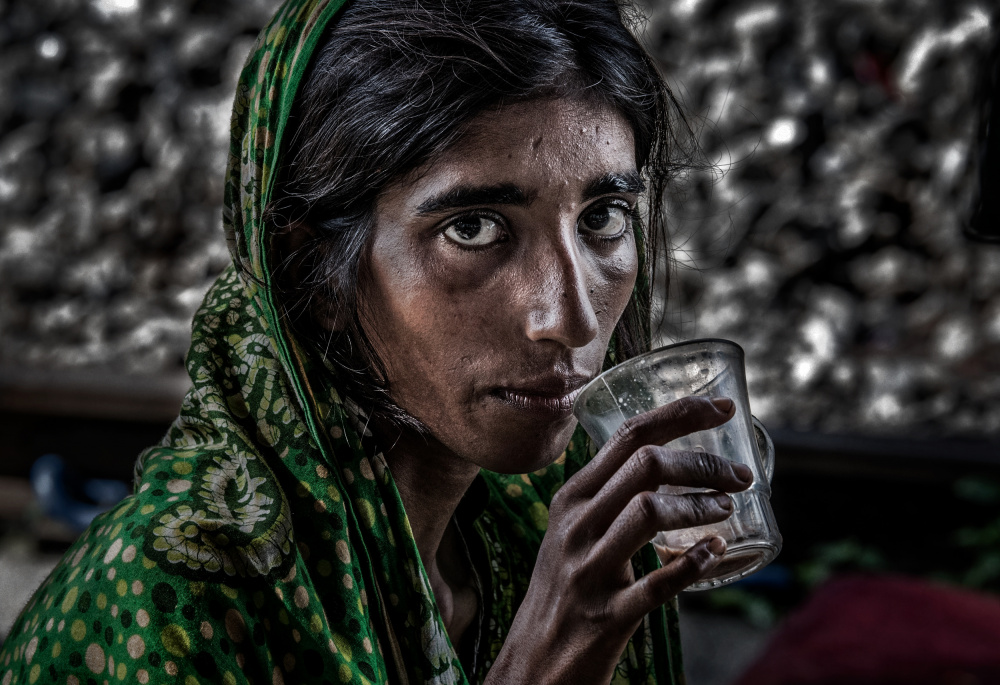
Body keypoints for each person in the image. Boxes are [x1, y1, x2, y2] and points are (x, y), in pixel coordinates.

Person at [0, 0, 752, 683]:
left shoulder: (533, 520)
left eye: (602, 216)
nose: (572, 320)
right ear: (314, 275)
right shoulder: (170, 604)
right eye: (474, 228)